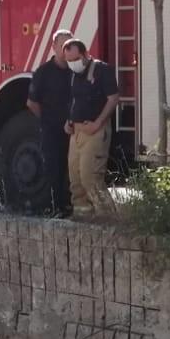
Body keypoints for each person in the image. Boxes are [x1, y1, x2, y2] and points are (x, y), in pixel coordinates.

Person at [62, 36, 121, 220]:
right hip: (76, 132)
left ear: (85, 54)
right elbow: (73, 100)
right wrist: (69, 121)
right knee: (76, 179)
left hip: (95, 131)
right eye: (68, 60)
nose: (72, 64)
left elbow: (113, 99)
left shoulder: (102, 70)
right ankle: (82, 215)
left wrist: (98, 123)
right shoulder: (73, 75)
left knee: (91, 177)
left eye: (74, 59)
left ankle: (107, 217)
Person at [25, 29, 74, 214]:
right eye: (62, 45)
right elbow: (31, 102)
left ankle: (70, 207)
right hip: (51, 130)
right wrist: (48, 119)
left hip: (74, 130)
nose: (65, 49)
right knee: (54, 169)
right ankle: (55, 208)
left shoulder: (76, 71)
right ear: (54, 46)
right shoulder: (43, 72)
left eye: (69, 45)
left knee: (73, 171)